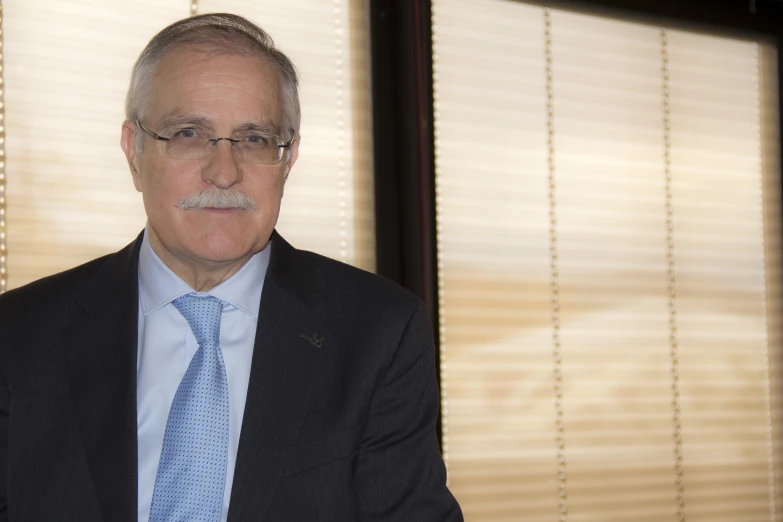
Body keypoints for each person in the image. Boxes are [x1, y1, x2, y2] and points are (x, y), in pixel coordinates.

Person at [0, 13, 462, 522]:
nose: (224, 172)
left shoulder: (378, 332)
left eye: (254, 139)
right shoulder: (19, 334)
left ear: (288, 159)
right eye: (189, 133)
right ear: (134, 152)